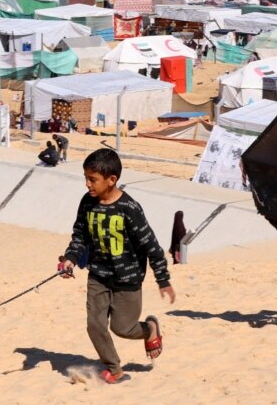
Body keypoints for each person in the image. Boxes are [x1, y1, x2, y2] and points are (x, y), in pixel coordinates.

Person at [60, 149, 175, 384]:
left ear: (111, 180)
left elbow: (151, 246)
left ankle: (150, 328)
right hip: (98, 276)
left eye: (92, 179)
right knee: (95, 324)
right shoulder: (87, 203)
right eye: (86, 178)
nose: (87, 184)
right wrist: (70, 258)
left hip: (128, 280)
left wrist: (163, 280)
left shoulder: (129, 209)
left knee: (123, 328)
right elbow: (80, 235)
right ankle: (114, 368)